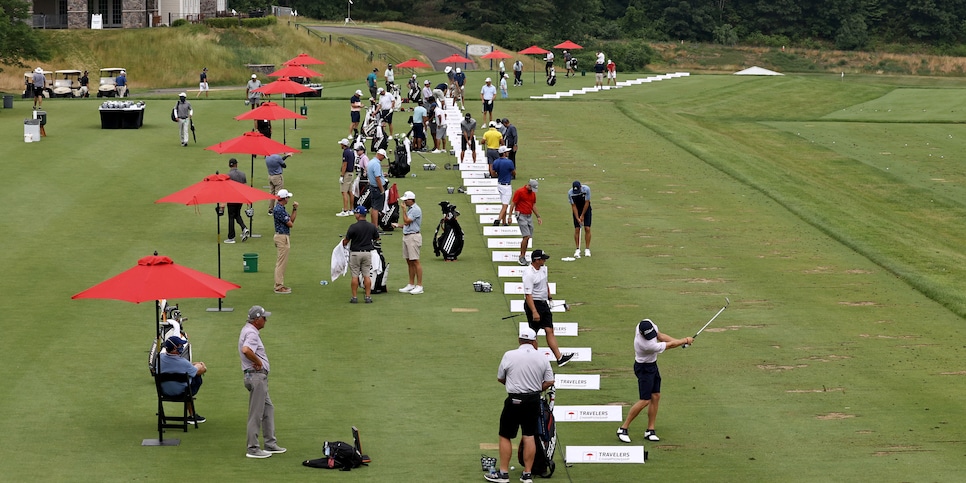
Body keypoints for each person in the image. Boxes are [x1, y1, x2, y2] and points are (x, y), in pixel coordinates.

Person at [483, 327, 554, 483]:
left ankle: (503, 473)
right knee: (529, 436)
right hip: (533, 400)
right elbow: (549, 381)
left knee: (505, 435)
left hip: (514, 400)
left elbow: (500, 378)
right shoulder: (542, 357)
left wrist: (516, 385)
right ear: (534, 341)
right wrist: (535, 388)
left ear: (519, 340)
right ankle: (527, 474)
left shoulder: (509, 355)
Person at [616, 319, 692, 444]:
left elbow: (660, 336)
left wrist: (680, 341)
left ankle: (650, 430)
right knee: (645, 400)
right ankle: (623, 428)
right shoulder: (646, 346)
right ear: (641, 334)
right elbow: (669, 345)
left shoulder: (646, 323)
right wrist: (684, 340)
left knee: (656, 396)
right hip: (644, 369)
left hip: (652, 366)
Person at [239, 305, 287, 459]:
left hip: (255, 376)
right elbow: (246, 350)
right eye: (264, 317)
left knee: (268, 409)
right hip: (257, 377)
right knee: (256, 413)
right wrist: (258, 361)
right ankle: (252, 448)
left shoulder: (248, 330)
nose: (266, 320)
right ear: (257, 319)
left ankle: (270, 443)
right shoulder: (252, 333)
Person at [523, 249, 574, 367]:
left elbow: (545, 284)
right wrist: (534, 312)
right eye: (543, 259)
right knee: (533, 334)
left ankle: (559, 358)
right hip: (533, 304)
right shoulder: (528, 274)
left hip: (543, 303)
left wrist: (550, 298)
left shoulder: (544, 269)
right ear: (537, 260)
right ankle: (529, 359)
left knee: (549, 330)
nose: (545, 260)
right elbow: (528, 295)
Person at [158, 335, 207, 423]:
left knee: (188, 379)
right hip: (183, 393)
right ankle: (192, 416)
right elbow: (200, 371)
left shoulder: (159, 359)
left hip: (164, 392)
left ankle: (192, 414)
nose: (182, 347)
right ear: (174, 348)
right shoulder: (183, 363)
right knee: (196, 377)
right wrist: (201, 365)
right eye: (180, 345)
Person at [342, 206, 380, 303]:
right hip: (367, 253)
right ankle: (368, 297)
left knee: (355, 276)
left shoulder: (353, 227)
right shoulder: (371, 226)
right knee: (366, 275)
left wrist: (343, 243)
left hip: (355, 254)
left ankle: (354, 298)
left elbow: (346, 241)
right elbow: (377, 238)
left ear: (359, 215)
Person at [395, 191, 424, 294]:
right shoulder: (411, 209)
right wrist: (399, 225)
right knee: (409, 261)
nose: (404, 202)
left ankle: (419, 285)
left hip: (413, 237)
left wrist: (403, 211)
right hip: (407, 236)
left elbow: (407, 221)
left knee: (415, 261)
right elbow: (407, 224)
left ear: (411, 200)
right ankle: (411, 284)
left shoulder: (416, 210)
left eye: (406, 200)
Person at [509, 180, 541, 266]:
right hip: (521, 215)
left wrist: (538, 216)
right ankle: (521, 256)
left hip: (529, 216)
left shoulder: (533, 194)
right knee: (526, 236)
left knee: (528, 237)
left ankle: (523, 255)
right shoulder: (519, 191)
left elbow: (533, 205)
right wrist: (509, 216)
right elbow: (513, 204)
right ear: (529, 186)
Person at [272, 189, 298, 294]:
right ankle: (278, 286)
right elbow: (290, 224)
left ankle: (280, 284)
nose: (289, 199)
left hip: (283, 236)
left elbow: (291, 221)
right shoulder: (279, 210)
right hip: (282, 237)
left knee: (282, 262)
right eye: (287, 197)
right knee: (281, 263)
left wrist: (294, 209)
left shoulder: (281, 208)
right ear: (284, 198)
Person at [490, 147, 516, 226]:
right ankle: (498, 219)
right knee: (505, 205)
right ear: (504, 153)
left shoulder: (496, 162)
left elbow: (493, 173)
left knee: (503, 203)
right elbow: (514, 173)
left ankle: (504, 222)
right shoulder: (509, 162)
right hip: (506, 185)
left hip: (499, 184)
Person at [226, 158, 250, 244]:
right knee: (237, 215)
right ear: (236, 164)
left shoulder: (228, 175)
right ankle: (244, 228)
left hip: (231, 199)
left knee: (231, 217)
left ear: (229, 165)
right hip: (240, 199)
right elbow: (244, 187)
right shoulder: (242, 174)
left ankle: (231, 237)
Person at [568, 180, 592, 258]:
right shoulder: (570, 193)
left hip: (586, 209)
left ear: (580, 187)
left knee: (587, 228)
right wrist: (577, 217)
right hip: (577, 210)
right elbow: (573, 206)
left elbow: (587, 202)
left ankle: (587, 249)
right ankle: (577, 249)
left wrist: (582, 215)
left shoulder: (586, 189)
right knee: (577, 229)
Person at [367, 149, 388, 226]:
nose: (383, 159)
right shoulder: (376, 164)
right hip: (377, 188)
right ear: (380, 155)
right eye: (383, 157)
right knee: (376, 208)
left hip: (373, 187)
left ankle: (373, 225)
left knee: (373, 207)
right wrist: (382, 189)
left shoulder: (371, 162)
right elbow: (377, 178)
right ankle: (375, 227)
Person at [338, 139, 355, 216]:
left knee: (344, 191)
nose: (340, 145)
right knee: (350, 192)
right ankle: (351, 210)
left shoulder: (345, 152)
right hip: (351, 173)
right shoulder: (351, 151)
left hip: (347, 174)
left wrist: (342, 175)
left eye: (341, 144)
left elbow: (345, 164)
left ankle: (345, 211)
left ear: (344, 145)